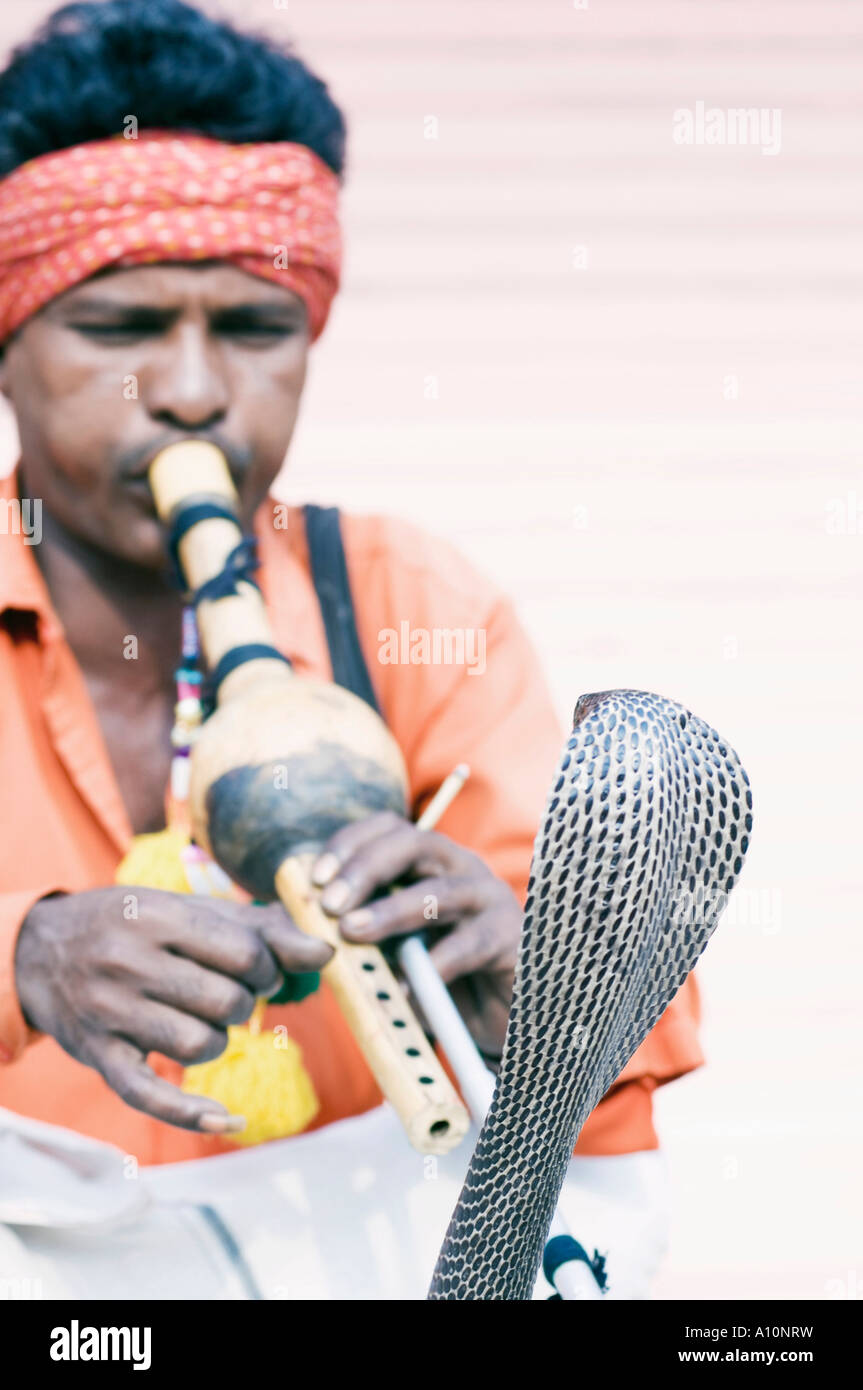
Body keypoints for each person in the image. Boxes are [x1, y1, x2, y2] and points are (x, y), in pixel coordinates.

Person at [0, 0, 701, 1294]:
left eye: (256, 330)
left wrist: (531, 983)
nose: (197, 391)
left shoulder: (404, 596)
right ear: (12, 338)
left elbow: (614, 1032)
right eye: (122, 328)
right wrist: (20, 955)